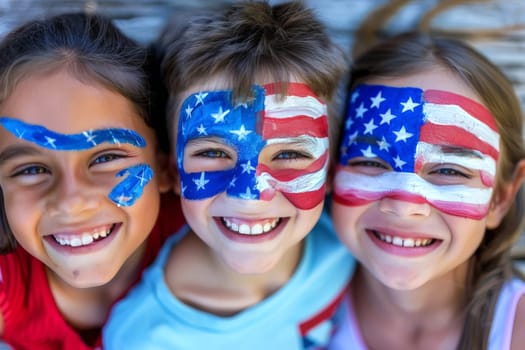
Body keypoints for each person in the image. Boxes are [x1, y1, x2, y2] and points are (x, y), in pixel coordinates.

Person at [103, 1, 355, 349]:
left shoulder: (346, 250)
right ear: (172, 171)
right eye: (214, 153)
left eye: (289, 154)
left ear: (329, 171)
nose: (249, 193)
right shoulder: (141, 337)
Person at [329, 31, 525, 350]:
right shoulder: (299, 304)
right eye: (372, 162)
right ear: (330, 170)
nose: (405, 205)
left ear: (501, 198)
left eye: (449, 170)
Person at [0, 12, 185, 349]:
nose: (71, 201)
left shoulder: (204, 232)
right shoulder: (8, 281)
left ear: (162, 166)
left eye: (105, 159)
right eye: (31, 169)